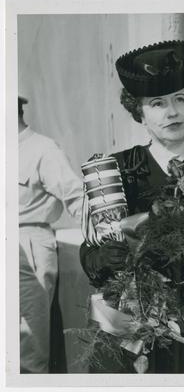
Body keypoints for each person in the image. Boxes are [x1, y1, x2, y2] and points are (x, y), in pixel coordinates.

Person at [79, 40, 184, 373]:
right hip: (144, 333)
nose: (172, 112)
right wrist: (103, 259)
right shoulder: (116, 170)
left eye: (179, 99)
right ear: (139, 113)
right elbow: (91, 247)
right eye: (157, 104)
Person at [18, 96, 84, 373]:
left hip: (28, 244)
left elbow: (76, 197)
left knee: (28, 346)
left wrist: (109, 235)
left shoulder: (42, 149)